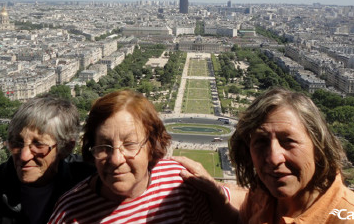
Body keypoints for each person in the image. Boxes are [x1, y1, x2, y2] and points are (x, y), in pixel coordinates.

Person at [176, 87, 354, 224]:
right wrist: (216, 194)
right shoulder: (263, 193)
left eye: (288, 141)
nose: (274, 158)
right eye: (260, 142)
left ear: (318, 146)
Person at [49, 90, 231, 224]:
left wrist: (217, 194)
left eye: (129, 144)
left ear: (151, 146)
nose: (116, 159)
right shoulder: (68, 213)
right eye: (104, 146)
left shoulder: (180, 182)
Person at [0, 96, 95, 224]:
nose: (24, 156)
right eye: (17, 143)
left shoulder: (92, 180)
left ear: (66, 148)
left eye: (38, 145)